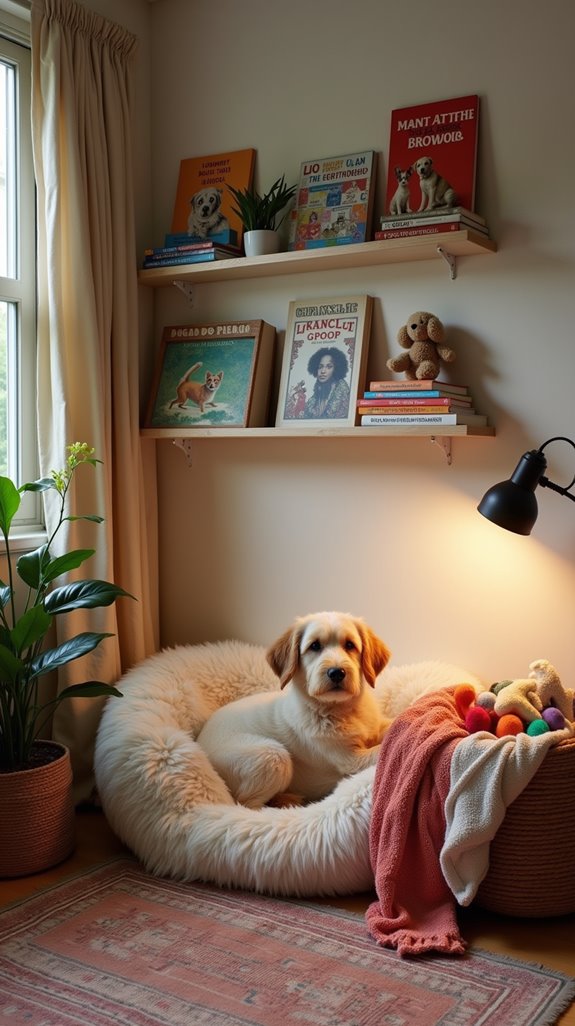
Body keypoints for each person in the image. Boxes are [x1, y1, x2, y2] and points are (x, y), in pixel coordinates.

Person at [304, 346, 350, 419]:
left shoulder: (343, 394)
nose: (323, 371)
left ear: (336, 369)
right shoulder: (314, 399)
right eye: (320, 367)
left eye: (329, 367)